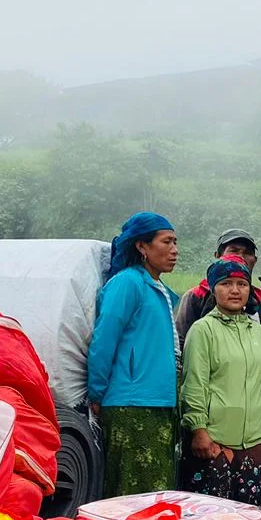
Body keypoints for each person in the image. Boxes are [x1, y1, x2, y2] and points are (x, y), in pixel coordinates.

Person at [88, 211, 182, 497]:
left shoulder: (158, 289)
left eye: (175, 242)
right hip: (131, 403)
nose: (174, 250)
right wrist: (97, 392)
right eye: (166, 242)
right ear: (142, 246)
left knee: (156, 491)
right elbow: (104, 339)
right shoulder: (127, 283)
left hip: (160, 402)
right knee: (131, 493)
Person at [180, 256, 261, 507]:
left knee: (250, 516)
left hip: (255, 443)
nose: (235, 290)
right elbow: (194, 383)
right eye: (226, 284)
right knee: (213, 516)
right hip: (215, 442)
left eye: (242, 284)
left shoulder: (260, 333)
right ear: (213, 289)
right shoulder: (203, 330)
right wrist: (199, 430)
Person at [177, 229, 261, 345]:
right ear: (217, 256)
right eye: (234, 251)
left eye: (247, 253)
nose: (241, 257)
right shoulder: (196, 297)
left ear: (255, 261)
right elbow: (182, 342)